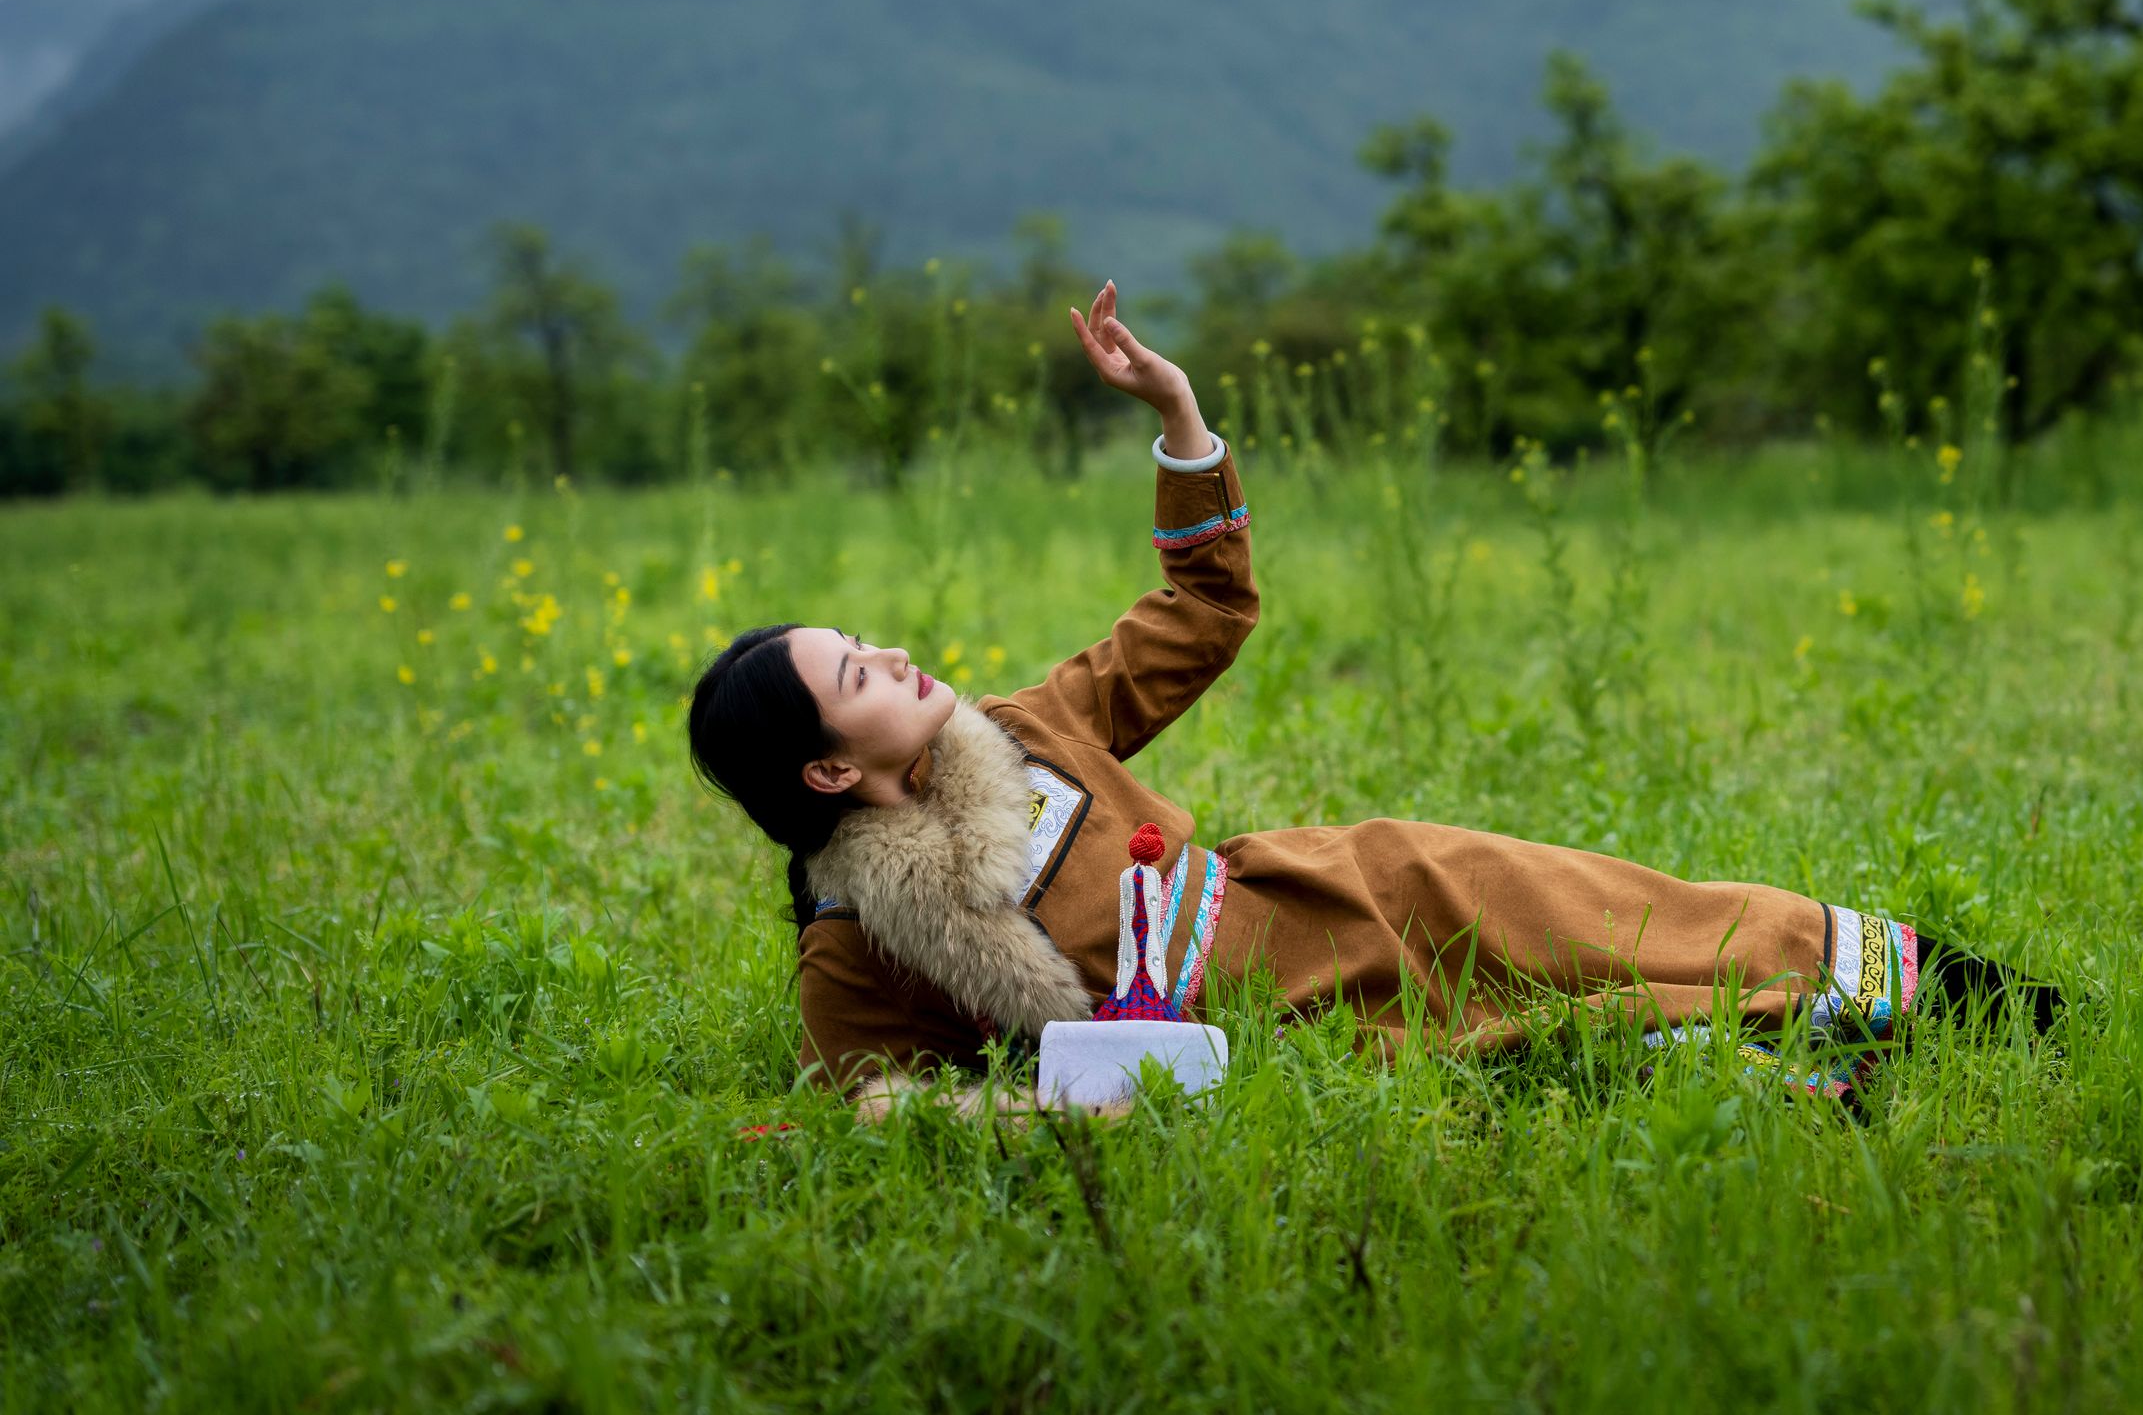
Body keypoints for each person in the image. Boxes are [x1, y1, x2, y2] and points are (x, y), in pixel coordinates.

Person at [689, 284, 2054, 1113]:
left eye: (867, 638)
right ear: (822, 771)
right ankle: (1821, 1064)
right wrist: (1069, 1115)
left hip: (1340, 890)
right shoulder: (861, 946)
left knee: (1615, 919)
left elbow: (1199, 615)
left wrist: (1178, 421)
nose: (893, 656)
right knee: (1568, 1042)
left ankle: (1951, 991)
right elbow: (881, 1107)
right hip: (1291, 1031)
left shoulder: (1024, 731)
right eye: (856, 674)